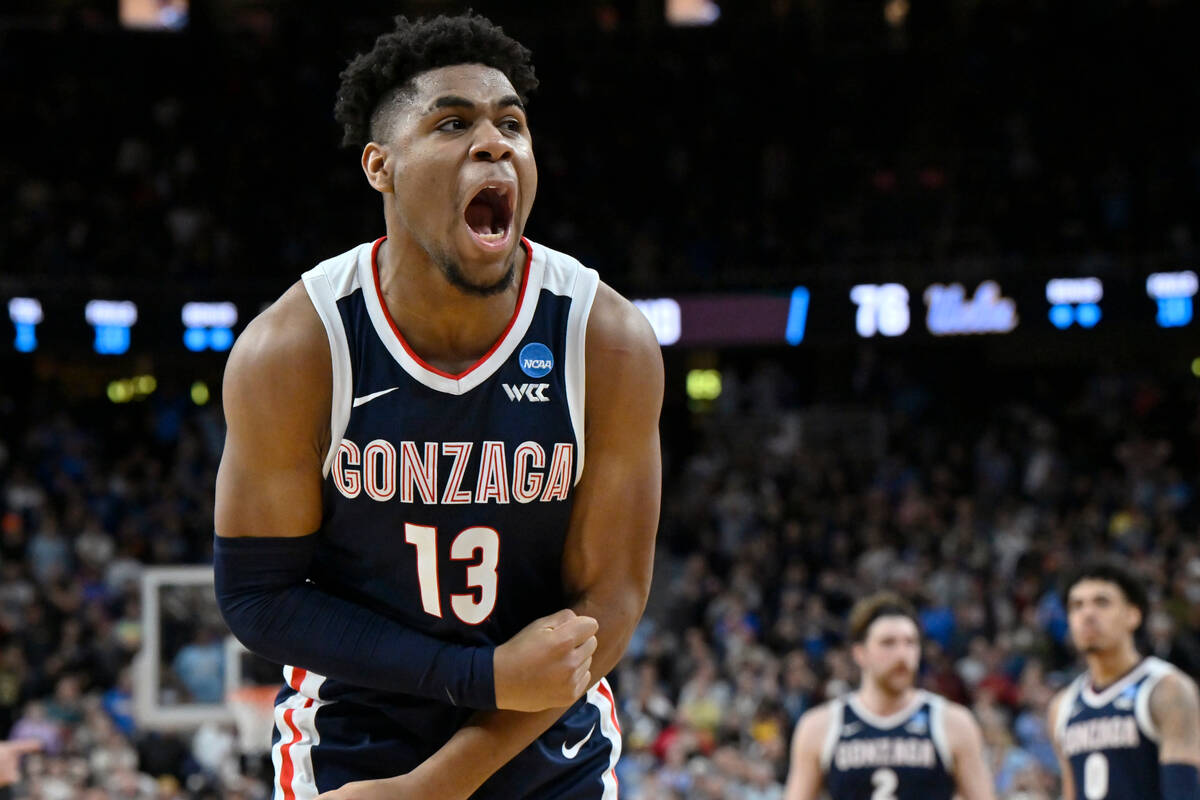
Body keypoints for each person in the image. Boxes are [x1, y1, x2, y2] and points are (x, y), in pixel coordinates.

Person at [212, 12, 663, 800]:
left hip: (542, 725)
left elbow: (610, 601)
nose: (496, 142)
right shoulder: (295, 348)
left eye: (512, 124)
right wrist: (476, 675)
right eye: (453, 122)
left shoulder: (607, 338)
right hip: (354, 724)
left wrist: (434, 786)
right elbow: (258, 596)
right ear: (379, 166)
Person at [784, 593, 995, 800]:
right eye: (888, 643)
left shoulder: (953, 722)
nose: (902, 654)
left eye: (910, 642)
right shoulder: (820, 726)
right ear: (860, 653)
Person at [1048, 561, 1200, 800]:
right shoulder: (1062, 706)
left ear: (1133, 615)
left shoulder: (1167, 689)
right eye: (1076, 606)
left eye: (1102, 602)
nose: (1087, 614)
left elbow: (1183, 792)